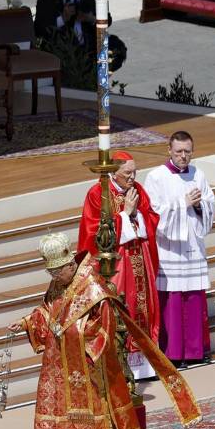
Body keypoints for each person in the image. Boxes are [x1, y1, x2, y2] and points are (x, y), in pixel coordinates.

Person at [11, 233, 201, 429]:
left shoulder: (93, 286)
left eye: (57, 272)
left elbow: (105, 323)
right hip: (57, 360)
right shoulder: (58, 283)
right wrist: (26, 322)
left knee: (95, 405)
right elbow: (48, 309)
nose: (55, 277)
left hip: (86, 360)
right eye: (51, 273)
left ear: (70, 265)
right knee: (53, 403)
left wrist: (76, 336)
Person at [77, 150, 162, 381]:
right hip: (117, 264)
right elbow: (93, 230)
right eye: (127, 173)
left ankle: (144, 367)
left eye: (135, 172)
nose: (132, 177)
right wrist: (125, 215)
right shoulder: (98, 193)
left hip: (140, 257)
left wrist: (138, 215)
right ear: (114, 172)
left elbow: (152, 218)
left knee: (143, 306)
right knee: (122, 307)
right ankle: (121, 367)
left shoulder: (138, 190)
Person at [144, 131, 215, 368]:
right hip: (170, 249)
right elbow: (153, 212)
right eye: (178, 151)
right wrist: (182, 203)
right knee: (173, 300)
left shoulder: (198, 174)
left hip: (193, 245)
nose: (183, 156)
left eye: (187, 151)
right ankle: (173, 353)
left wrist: (200, 205)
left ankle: (196, 350)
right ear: (169, 150)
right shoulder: (156, 177)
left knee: (194, 298)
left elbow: (210, 203)